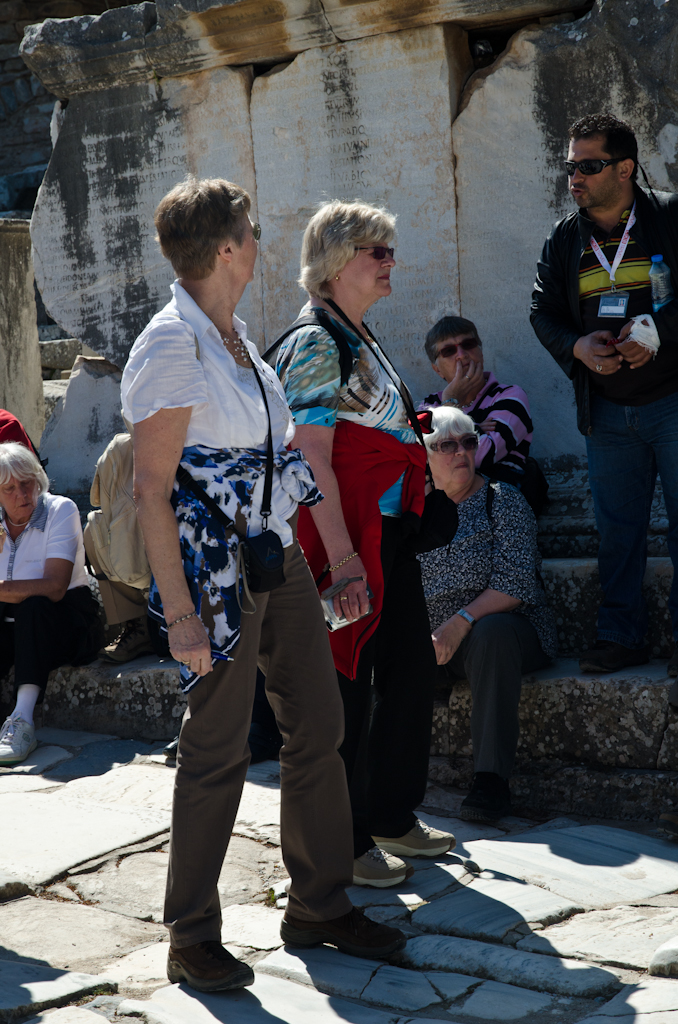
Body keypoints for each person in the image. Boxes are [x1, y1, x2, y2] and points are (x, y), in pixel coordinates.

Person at [121, 177, 405, 994]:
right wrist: (179, 615)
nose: (259, 236)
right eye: (249, 225)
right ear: (224, 248)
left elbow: (277, 462)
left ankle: (319, 903)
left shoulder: (236, 336)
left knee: (317, 723)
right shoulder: (173, 342)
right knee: (215, 749)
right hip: (210, 574)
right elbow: (151, 488)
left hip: (270, 555)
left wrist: (328, 562)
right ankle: (191, 934)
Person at [274, 199, 454, 890]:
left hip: (389, 537)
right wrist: (343, 560)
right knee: (346, 691)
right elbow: (313, 456)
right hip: (344, 545)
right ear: (337, 261)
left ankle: (389, 813)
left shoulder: (360, 333)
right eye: (376, 251)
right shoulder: (317, 339)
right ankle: (343, 839)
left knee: (409, 672)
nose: (390, 262)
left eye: (388, 249)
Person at [531, 112, 678, 677]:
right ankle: (620, 636)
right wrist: (576, 346)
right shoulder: (566, 237)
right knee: (617, 530)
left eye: (589, 167)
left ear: (625, 168)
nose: (575, 178)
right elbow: (543, 311)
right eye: (571, 166)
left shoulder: (668, 217)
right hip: (609, 410)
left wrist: (660, 332)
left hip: (672, 400)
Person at [418, 407, 557, 822]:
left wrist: (458, 622)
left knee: (490, 632)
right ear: (424, 456)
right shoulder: (414, 513)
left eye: (468, 442)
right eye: (446, 445)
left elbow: (515, 586)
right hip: (436, 642)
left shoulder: (504, 502)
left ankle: (491, 782)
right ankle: (372, 774)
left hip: (505, 634)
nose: (460, 452)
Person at [0, 442, 103, 764]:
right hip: (10, 623)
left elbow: (55, 586)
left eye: (27, 483)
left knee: (34, 604)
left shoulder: (61, 509)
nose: (22, 494)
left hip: (65, 623)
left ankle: (22, 719)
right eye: (9, 488)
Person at [418, 316, 533, 483]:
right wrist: (473, 426)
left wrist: (440, 439)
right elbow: (415, 456)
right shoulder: (429, 404)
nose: (462, 355)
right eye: (449, 351)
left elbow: (484, 455)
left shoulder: (511, 396)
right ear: (437, 370)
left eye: (468, 344)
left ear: (481, 353)